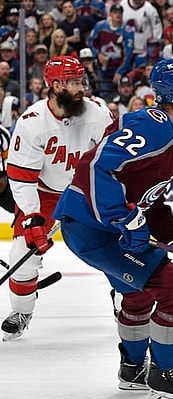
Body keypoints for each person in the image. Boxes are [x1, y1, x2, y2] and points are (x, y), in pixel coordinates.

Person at [53, 57, 173, 399]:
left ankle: (132, 369)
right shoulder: (151, 125)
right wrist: (126, 220)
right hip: (91, 228)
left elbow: (150, 203)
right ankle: (163, 378)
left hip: (104, 227)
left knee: (139, 293)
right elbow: (98, 168)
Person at [2, 56, 115, 341]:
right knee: (22, 255)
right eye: (74, 82)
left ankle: (125, 301)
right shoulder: (31, 122)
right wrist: (32, 217)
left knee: (117, 247)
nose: (82, 88)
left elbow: (113, 162)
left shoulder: (98, 114)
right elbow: (21, 177)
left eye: (82, 81)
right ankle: (21, 311)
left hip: (87, 191)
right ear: (55, 86)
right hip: (45, 194)